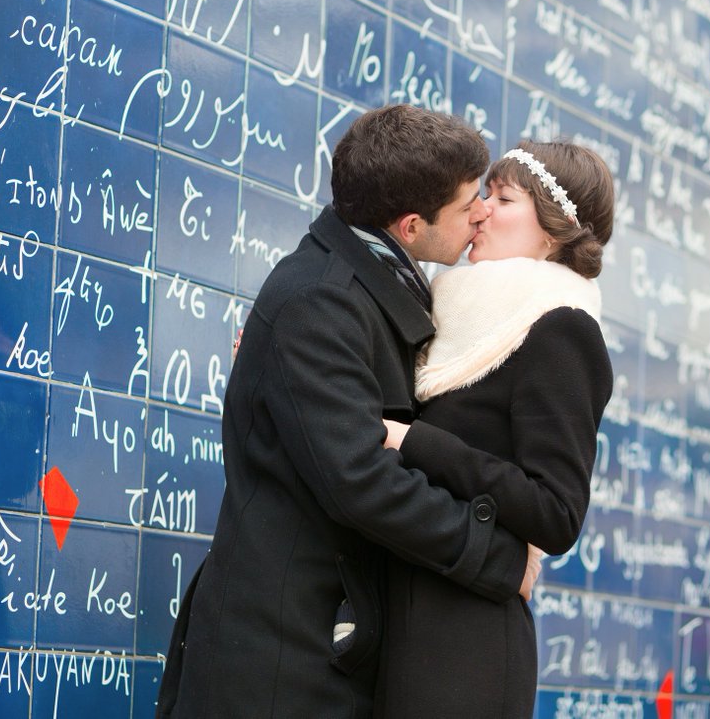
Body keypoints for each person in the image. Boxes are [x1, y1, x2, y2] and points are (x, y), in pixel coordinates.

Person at [155, 105, 541, 719]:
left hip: (328, 649)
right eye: (471, 200)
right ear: (411, 225)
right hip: (281, 666)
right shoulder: (321, 301)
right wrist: (495, 556)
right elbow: (360, 479)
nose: (483, 211)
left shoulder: (375, 288)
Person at [375, 140, 616, 718]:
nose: (480, 209)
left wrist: (416, 443)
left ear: (553, 231)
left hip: (465, 645)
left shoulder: (561, 330)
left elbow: (556, 512)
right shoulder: (449, 312)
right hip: (398, 619)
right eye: (482, 195)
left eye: (502, 197)